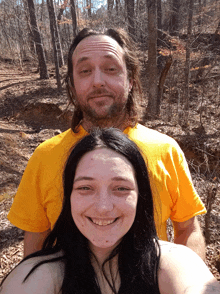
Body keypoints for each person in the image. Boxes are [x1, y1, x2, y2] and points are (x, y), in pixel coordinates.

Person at [8, 28, 207, 259]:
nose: (98, 81)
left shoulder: (166, 150)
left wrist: (190, 280)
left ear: (130, 80)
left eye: (111, 69)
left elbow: (188, 229)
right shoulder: (45, 156)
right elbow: (36, 240)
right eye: (84, 71)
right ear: (72, 85)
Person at [1, 129, 220, 294]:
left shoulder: (174, 262)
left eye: (121, 188)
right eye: (85, 188)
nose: (103, 207)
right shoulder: (40, 274)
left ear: (140, 197)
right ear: (69, 197)